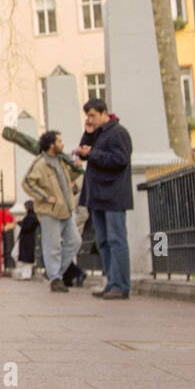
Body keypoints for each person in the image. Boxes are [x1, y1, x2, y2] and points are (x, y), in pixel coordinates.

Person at [76, 97, 133, 300]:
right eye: (87, 116)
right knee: (104, 242)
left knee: (117, 240)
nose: (89, 120)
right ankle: (111, 282)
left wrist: (93, 153)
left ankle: (121, 285)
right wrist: (88, 135)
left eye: (92, 115)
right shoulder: (97, 134)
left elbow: (120, 160)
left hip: (113, 194)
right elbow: (85, 152)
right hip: (97, 196)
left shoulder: (118, 133)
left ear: (103, 113)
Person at [23, 131, 81, 293]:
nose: (62, 144)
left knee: (75, 242)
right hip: (50, 212)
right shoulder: (40, 164)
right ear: (51, 145)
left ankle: (55, 274)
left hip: (66, 210)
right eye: (60, 141)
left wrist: (77, 168)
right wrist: (45, 197)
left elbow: (70, 177)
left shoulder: (61, 161)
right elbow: (27, 182)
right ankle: (55, 278)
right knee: (52, 246)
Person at [17, 200, 40, 269]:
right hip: (27, 239)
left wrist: (19, 223)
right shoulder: (32, 216)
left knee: (26, 258)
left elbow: (27, 227)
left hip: (27, 240)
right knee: (25, 257)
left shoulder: (31, 216)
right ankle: (24, 273)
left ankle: (26, 275)